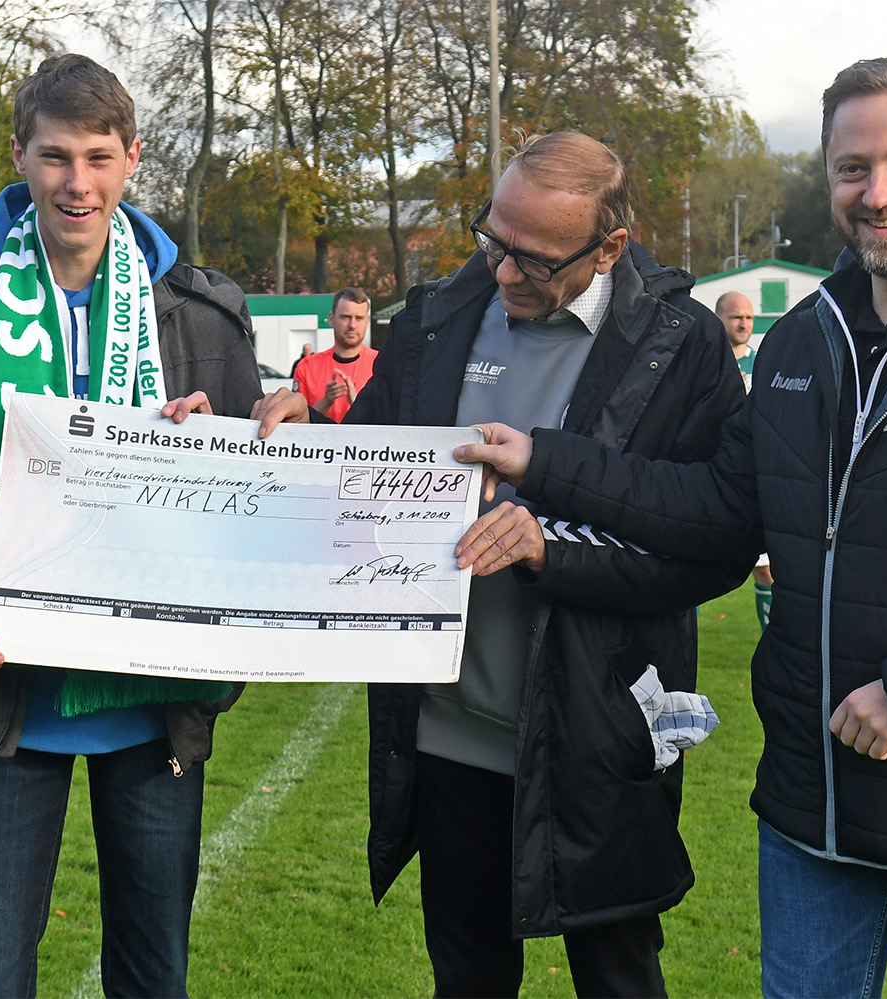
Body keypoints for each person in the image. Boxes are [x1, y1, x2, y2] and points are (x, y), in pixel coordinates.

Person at [451, 60, 887, 998]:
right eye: (850, 167)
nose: (878, 193)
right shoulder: (801, 342)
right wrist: (546, 462)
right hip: (814, 800)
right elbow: (716, 509)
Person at [253, 131, 750, 997]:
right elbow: (366, 471)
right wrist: (298, 436)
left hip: (596, 736)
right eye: (494, 239)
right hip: (447, 731)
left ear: (610, 248)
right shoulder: (440, 316)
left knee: (618, 977)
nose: (506, 273)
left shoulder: (681, 345)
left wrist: (546, 551)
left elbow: (708, 547)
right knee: (468, 979)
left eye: (535, 259)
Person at [0, 54, 263, 997]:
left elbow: (254, 510)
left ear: (132, 158)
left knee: (155, 979)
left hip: (156, 711)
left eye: (99, 157)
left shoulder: (204, 318)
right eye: (57, 156)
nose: (79, 183)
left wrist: (244, 444)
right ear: (20, 156)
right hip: (4, 708)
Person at [717, 290, 775, 631]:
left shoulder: (765, 362)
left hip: (755, 480)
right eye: (736, 317)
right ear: (719, 318)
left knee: (768, 570)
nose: (744, 323)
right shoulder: (709, 361)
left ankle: (770, 639)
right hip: (714, 475)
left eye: (749, 317)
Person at [290, 286, 377, 422]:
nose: (352, 325)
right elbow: (295, 424)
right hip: (319, 443)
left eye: (359, 318)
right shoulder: (306, 367)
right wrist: (326, 401)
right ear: (331, 319)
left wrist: (358, 405)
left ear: (367, 322)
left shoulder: (381, 364)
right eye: (346, 317)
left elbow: (389, 425)